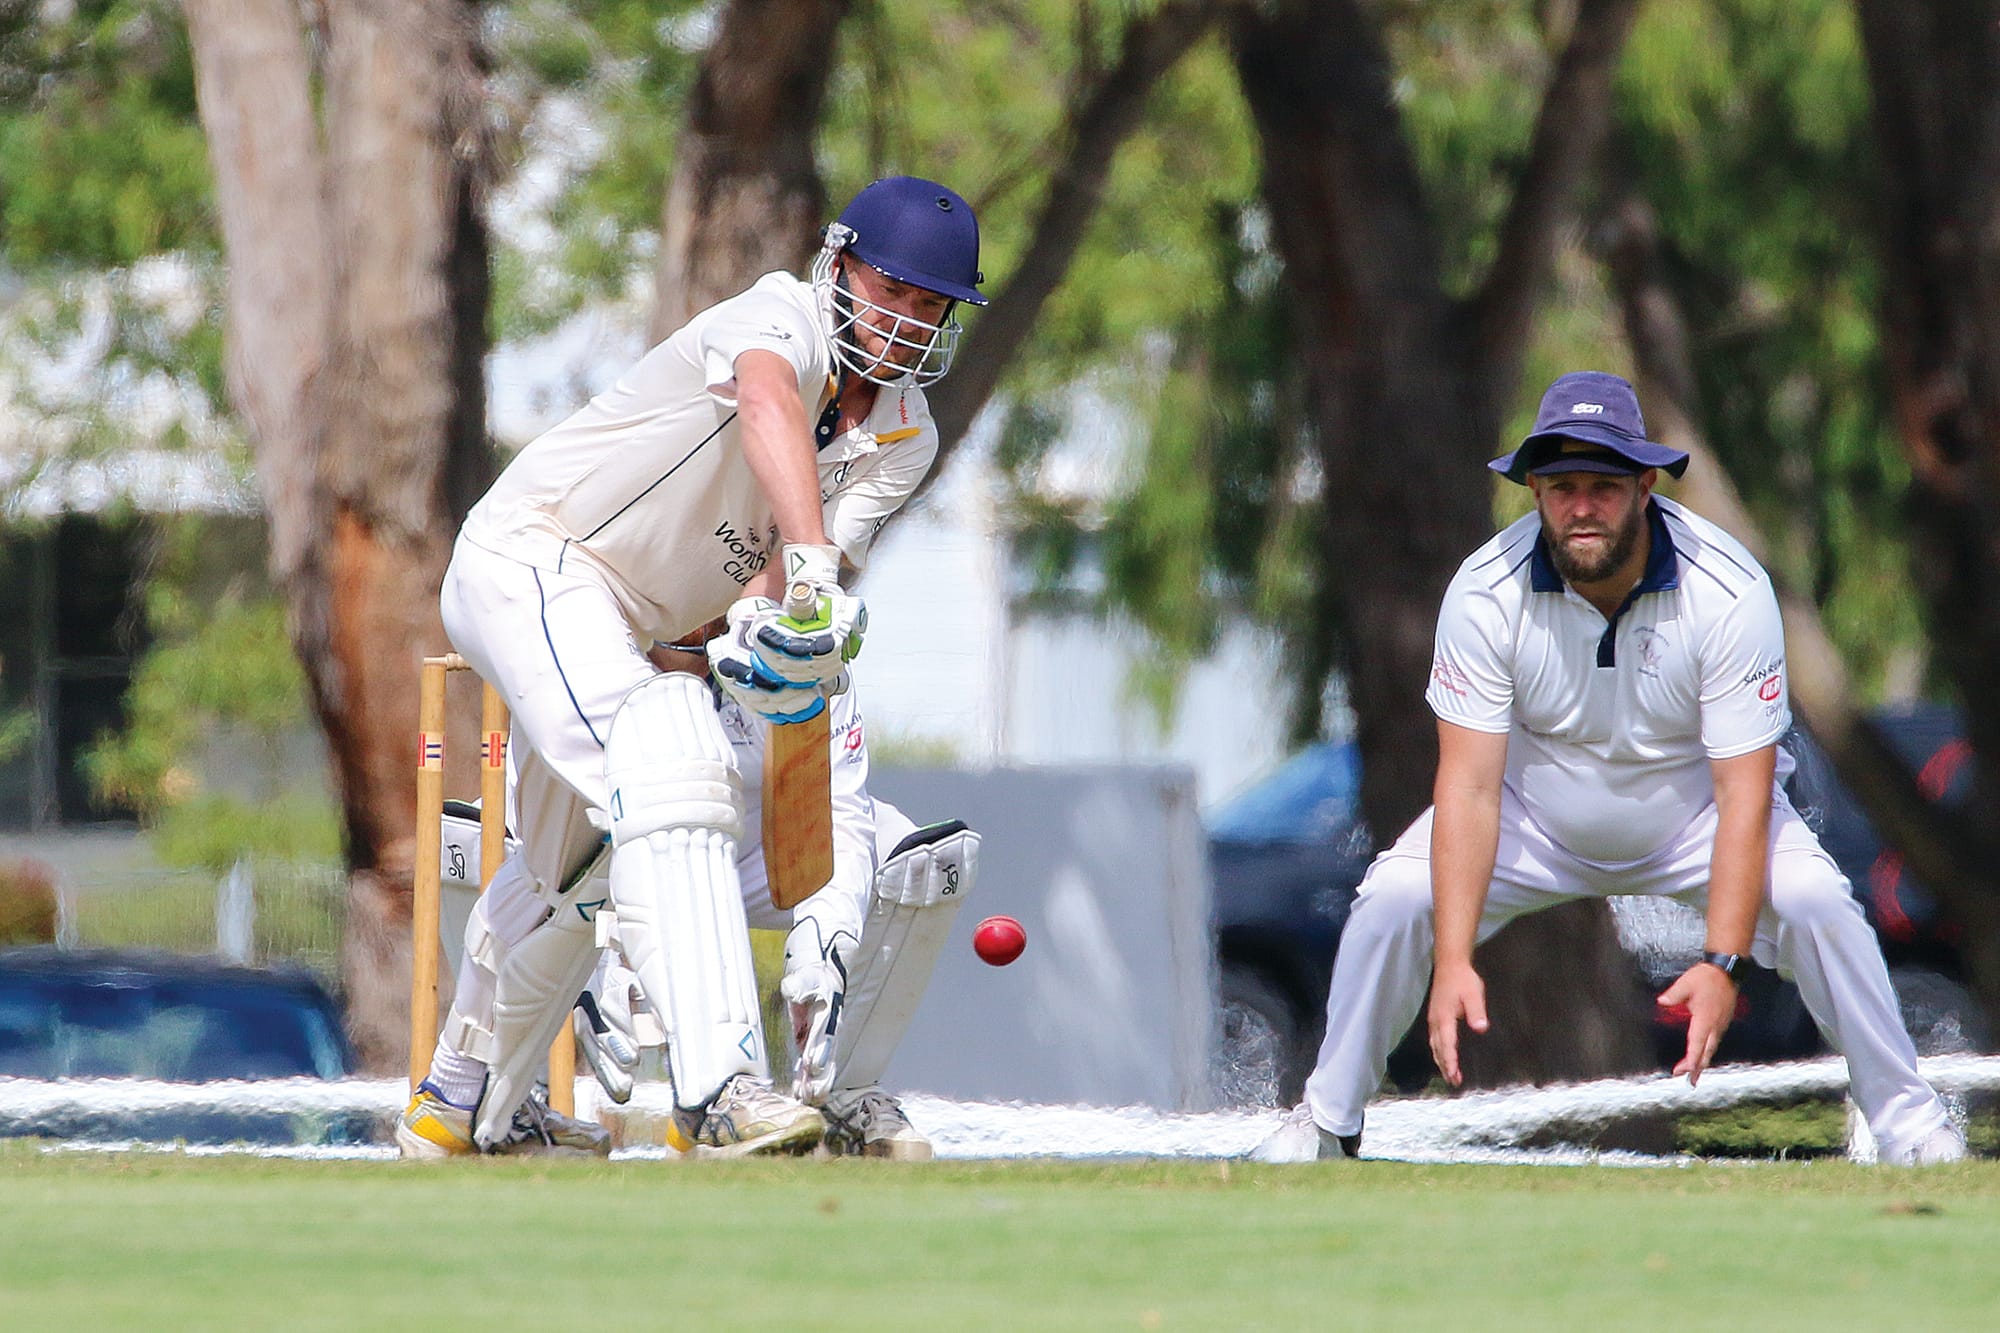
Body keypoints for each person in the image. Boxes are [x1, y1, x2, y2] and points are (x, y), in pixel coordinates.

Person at [398, 175, 987, 1157]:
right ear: (837, 268)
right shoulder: (776, 316)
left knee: (567, 874)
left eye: (931, 305)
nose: (908, 320)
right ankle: (718, 1092)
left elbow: (776, 576)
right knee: (670, 763)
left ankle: (459, 1105)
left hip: (624, 629)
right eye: (892, 290)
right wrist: (809, 563)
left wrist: (775, 629)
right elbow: (765, 414)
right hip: (538, 558)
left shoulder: (903, 434)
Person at [1257, 371, 1965, 1167]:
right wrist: (1452, 959)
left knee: (1816, 900)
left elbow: (1743, 795)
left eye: (1603, 485)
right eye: (1562, 487)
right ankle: (1329, 1122)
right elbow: (1469, 786)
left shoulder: (1728, 591)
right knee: (1391, 898)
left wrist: (1723, 963)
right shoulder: (1484, 593)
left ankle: (1909, 1126)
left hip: (1697, 819)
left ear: (1646, 486)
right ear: (1534, 491)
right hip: (1535, 821)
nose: (1581, 506)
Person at [401, 634, 980, 1160]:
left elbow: (840, 814)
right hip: (610, 851)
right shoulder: (580, 637)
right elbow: (555, 838)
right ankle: (488, 1091)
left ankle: (839, 1095)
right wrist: (591, 965)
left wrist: (825, 942)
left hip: (762, 849)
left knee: (923, 859)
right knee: (483, 834)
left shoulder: (797, 647)